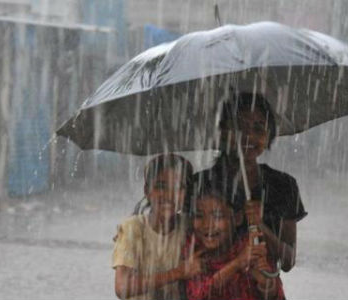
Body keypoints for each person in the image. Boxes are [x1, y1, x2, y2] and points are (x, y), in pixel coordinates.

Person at [193, 91, 307, 272]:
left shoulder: (284, 185)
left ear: (269, 136)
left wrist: (261, 226)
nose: (248, 136)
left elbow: (287, 262)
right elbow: (190, 251)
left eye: (258, 128)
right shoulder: (200, 183)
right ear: (223, 132)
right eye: (239, 127)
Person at [112, 154, 203, 300]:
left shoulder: (189, 226)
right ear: (147, 191)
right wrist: (178, 273)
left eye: (178, 187)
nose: (169, 195)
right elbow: (122, 287)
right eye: (161, 186)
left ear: (186, 194)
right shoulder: (133, 228)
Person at [184, 186, 284, 300]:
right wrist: (237, 264)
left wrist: (267, 285)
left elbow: (278, 296)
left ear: (237, 218)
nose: (207, 225)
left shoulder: (252, 247)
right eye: (199, 215)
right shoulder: (192, 250)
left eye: (218, 216)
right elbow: (197, 295)